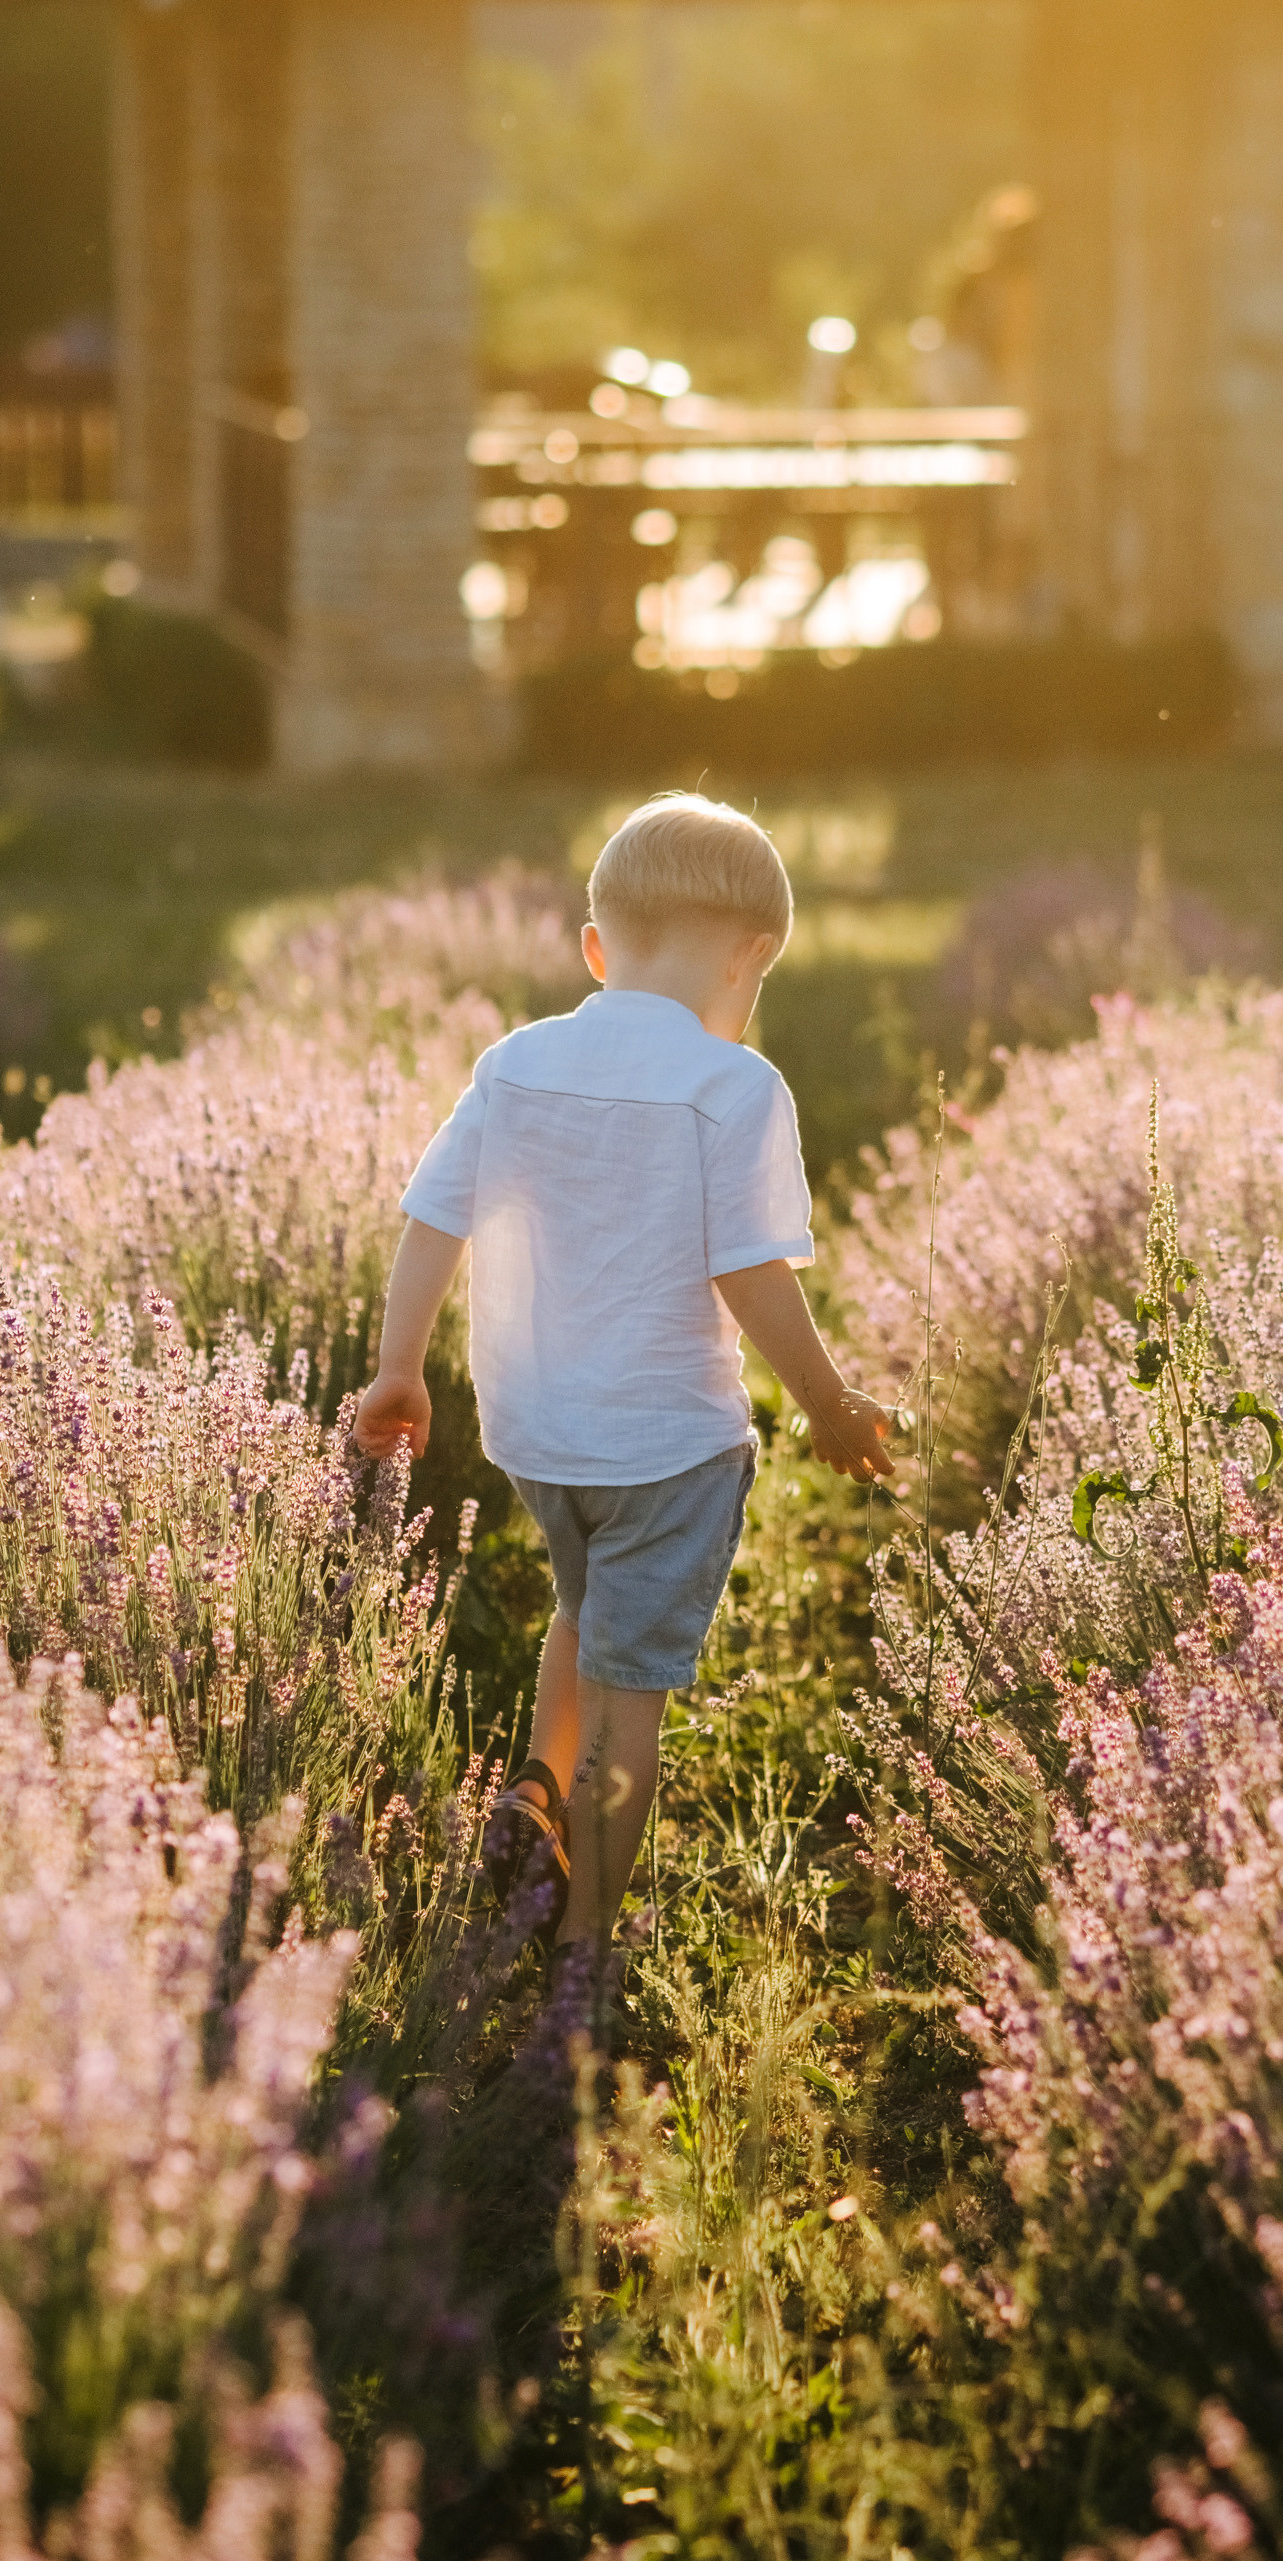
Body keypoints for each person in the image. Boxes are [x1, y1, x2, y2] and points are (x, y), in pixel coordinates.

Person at [352, 792, 894, 2005]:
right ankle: (587, 1945)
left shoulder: (518, 1062)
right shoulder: (734, 1086)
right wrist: (826, 1401)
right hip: (669, 1445)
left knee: (577, 1608)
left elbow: (433, 1215)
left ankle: (535, 1798)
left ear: (599, 949)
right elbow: (748, 1272)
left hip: (536, 1430)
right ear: (750, 959)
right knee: (630, 1694)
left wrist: (399, 1367)